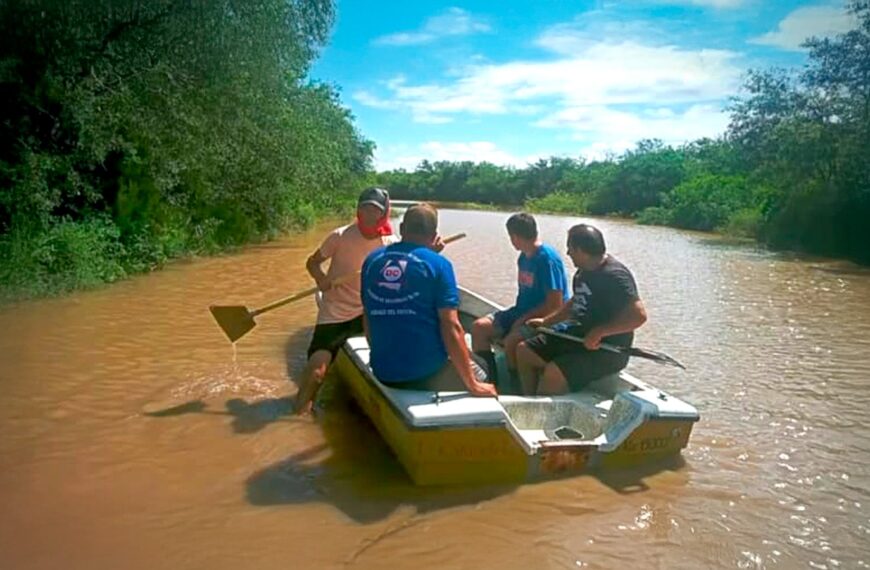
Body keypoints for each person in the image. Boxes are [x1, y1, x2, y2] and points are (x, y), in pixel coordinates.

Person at [360, 203, 497, 396]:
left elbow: (367, 316)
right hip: (424, 375)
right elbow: (451, 325)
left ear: (401, 229)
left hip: (383, 370)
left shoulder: (372, 261)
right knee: (482, 368)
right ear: (434, 235)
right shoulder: (439, 265)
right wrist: (473, 384)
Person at [293, 187, 397, 414]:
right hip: (335, 310)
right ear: (358, 210)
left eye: (375, 210)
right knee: (317, 374)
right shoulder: (340, 236)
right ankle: (299, 413)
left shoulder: (390, 244)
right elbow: (312, 263)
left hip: (368, 311)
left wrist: (432, 251)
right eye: (365, 208)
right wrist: (321, 279)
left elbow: (409, 269)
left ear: (383, 214)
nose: (369, 215)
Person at [516, 223, 647, 395]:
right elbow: (576, 301)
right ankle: (528, 399)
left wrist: (600, 332)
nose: (568, 253)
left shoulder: (615, 276)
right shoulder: (583, 271)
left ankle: (543, 403)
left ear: (580, 250)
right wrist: (546, 321)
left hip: (605, 349)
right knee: (524, 351)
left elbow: (639, 316)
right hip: (576, 338)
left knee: (554, 372)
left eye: (570, 248)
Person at [471, 213, 569, 385]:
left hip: (545, 317)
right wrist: (518, 318)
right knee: (479, 327)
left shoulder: (547, 259)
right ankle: (489, 382)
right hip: (520, 312)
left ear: (515, 237)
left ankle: (515, 386)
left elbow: (555, 304)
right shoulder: (523, 257)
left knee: (511, 342)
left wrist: (522, 321)